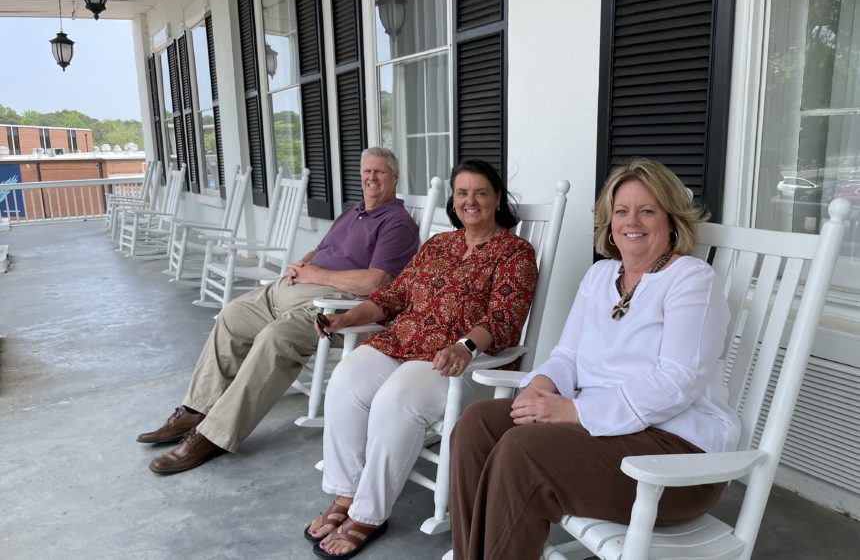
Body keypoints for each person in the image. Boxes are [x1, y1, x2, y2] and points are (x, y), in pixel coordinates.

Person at [448, 158, 741, 560]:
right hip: (604, 432)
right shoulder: (601, 276)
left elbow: (677, 381)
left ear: (671, 219)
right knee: (477, 423)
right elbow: (567, 353)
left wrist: (574, 411)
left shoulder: (691, 279)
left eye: (647, 210)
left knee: (522, 453)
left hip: (675, 455)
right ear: (609, 220)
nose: (631, 221)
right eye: (621, 211)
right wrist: (543, 384)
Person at [303, 159, 537, 560]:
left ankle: (368, 514)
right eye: (462, 193)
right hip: (402, 342)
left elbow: (504, 319)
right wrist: (345, 319)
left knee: (395, 400)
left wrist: (463, 347)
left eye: (480, 192)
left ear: (497, 199)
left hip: (458, 361)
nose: (471, 201)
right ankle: (346, 493)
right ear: (453, 199)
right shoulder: (438, 244)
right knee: (345, 378)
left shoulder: (514, 252)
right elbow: (392, 298)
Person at [137, 147, 420, 474]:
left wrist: (314, 275)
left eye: (380, 172)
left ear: (394, 177)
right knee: (232, 316)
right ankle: (195, 408)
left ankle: (214, 433)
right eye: (367, 171)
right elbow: (326, 247)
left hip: (334, 306)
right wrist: (304, 262)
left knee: (275, 338)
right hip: (290, 289)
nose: (371, 178)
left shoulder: (397, 223)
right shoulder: (351, 212)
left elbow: (376, 281)